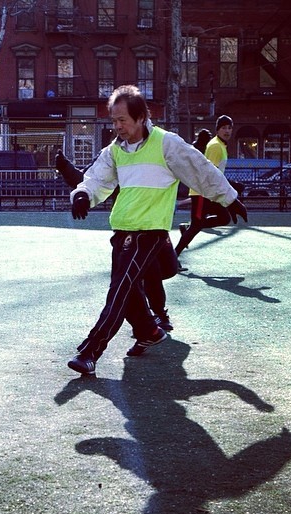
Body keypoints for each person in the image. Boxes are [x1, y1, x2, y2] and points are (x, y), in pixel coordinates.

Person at [67, 85, 247, 375]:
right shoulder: (115, 150)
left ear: (140, 117)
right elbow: (97, 178)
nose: (117, 126)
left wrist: (229, 197)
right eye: (113, 120)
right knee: (127, 293)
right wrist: (83, 194)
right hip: (122, 231)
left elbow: (200, 169)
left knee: (119, 291)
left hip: (150, 233)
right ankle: (149, 331)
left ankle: (91, 351)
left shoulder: (166, 144)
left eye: (122, 120)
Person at [55, 149, 176, 331]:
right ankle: (150, 323)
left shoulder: (156, 147)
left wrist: (198, 146)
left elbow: (188, 165)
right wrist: (66, 168)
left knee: (168, 267)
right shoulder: (111, 154)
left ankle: (151, 321)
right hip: (129, 228)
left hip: (155, 222)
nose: (120, 127)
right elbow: (88, 180)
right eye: (117, 121)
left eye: (123, 120)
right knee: (143, 273)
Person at [175, 116, 242, 259]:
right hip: (202, 193)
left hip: (209, 192)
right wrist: (231, 185)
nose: (227, 131)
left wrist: (229, 185)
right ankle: (174, 257)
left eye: (229, 127)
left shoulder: (220, 145)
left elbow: (216, 173)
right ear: (217, 129)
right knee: (196, 226)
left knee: (224, 218)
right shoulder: (216, 146)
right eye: (224, 127)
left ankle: (186, 228)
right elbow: (209, 173)